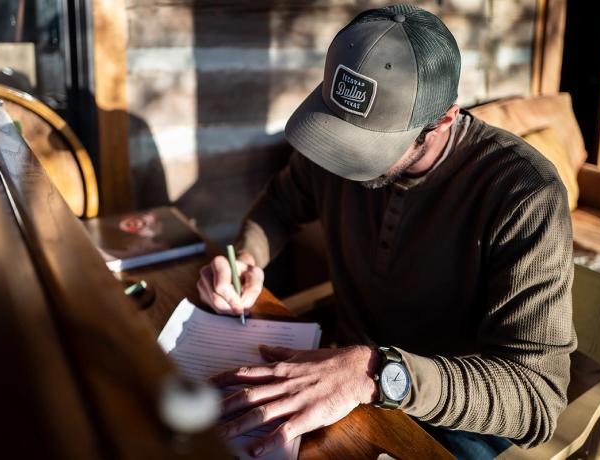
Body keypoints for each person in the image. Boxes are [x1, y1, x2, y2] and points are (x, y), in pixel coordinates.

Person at [196, 5, 576, 459]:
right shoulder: (328, 152)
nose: (337, 160)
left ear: (444, 120)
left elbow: (536, 398)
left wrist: (377, 373)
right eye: (335, 132)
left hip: (455, 419)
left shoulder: (523, 194)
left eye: (365, 148)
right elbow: (279, 205)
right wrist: (247, 258)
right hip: (338, 373)